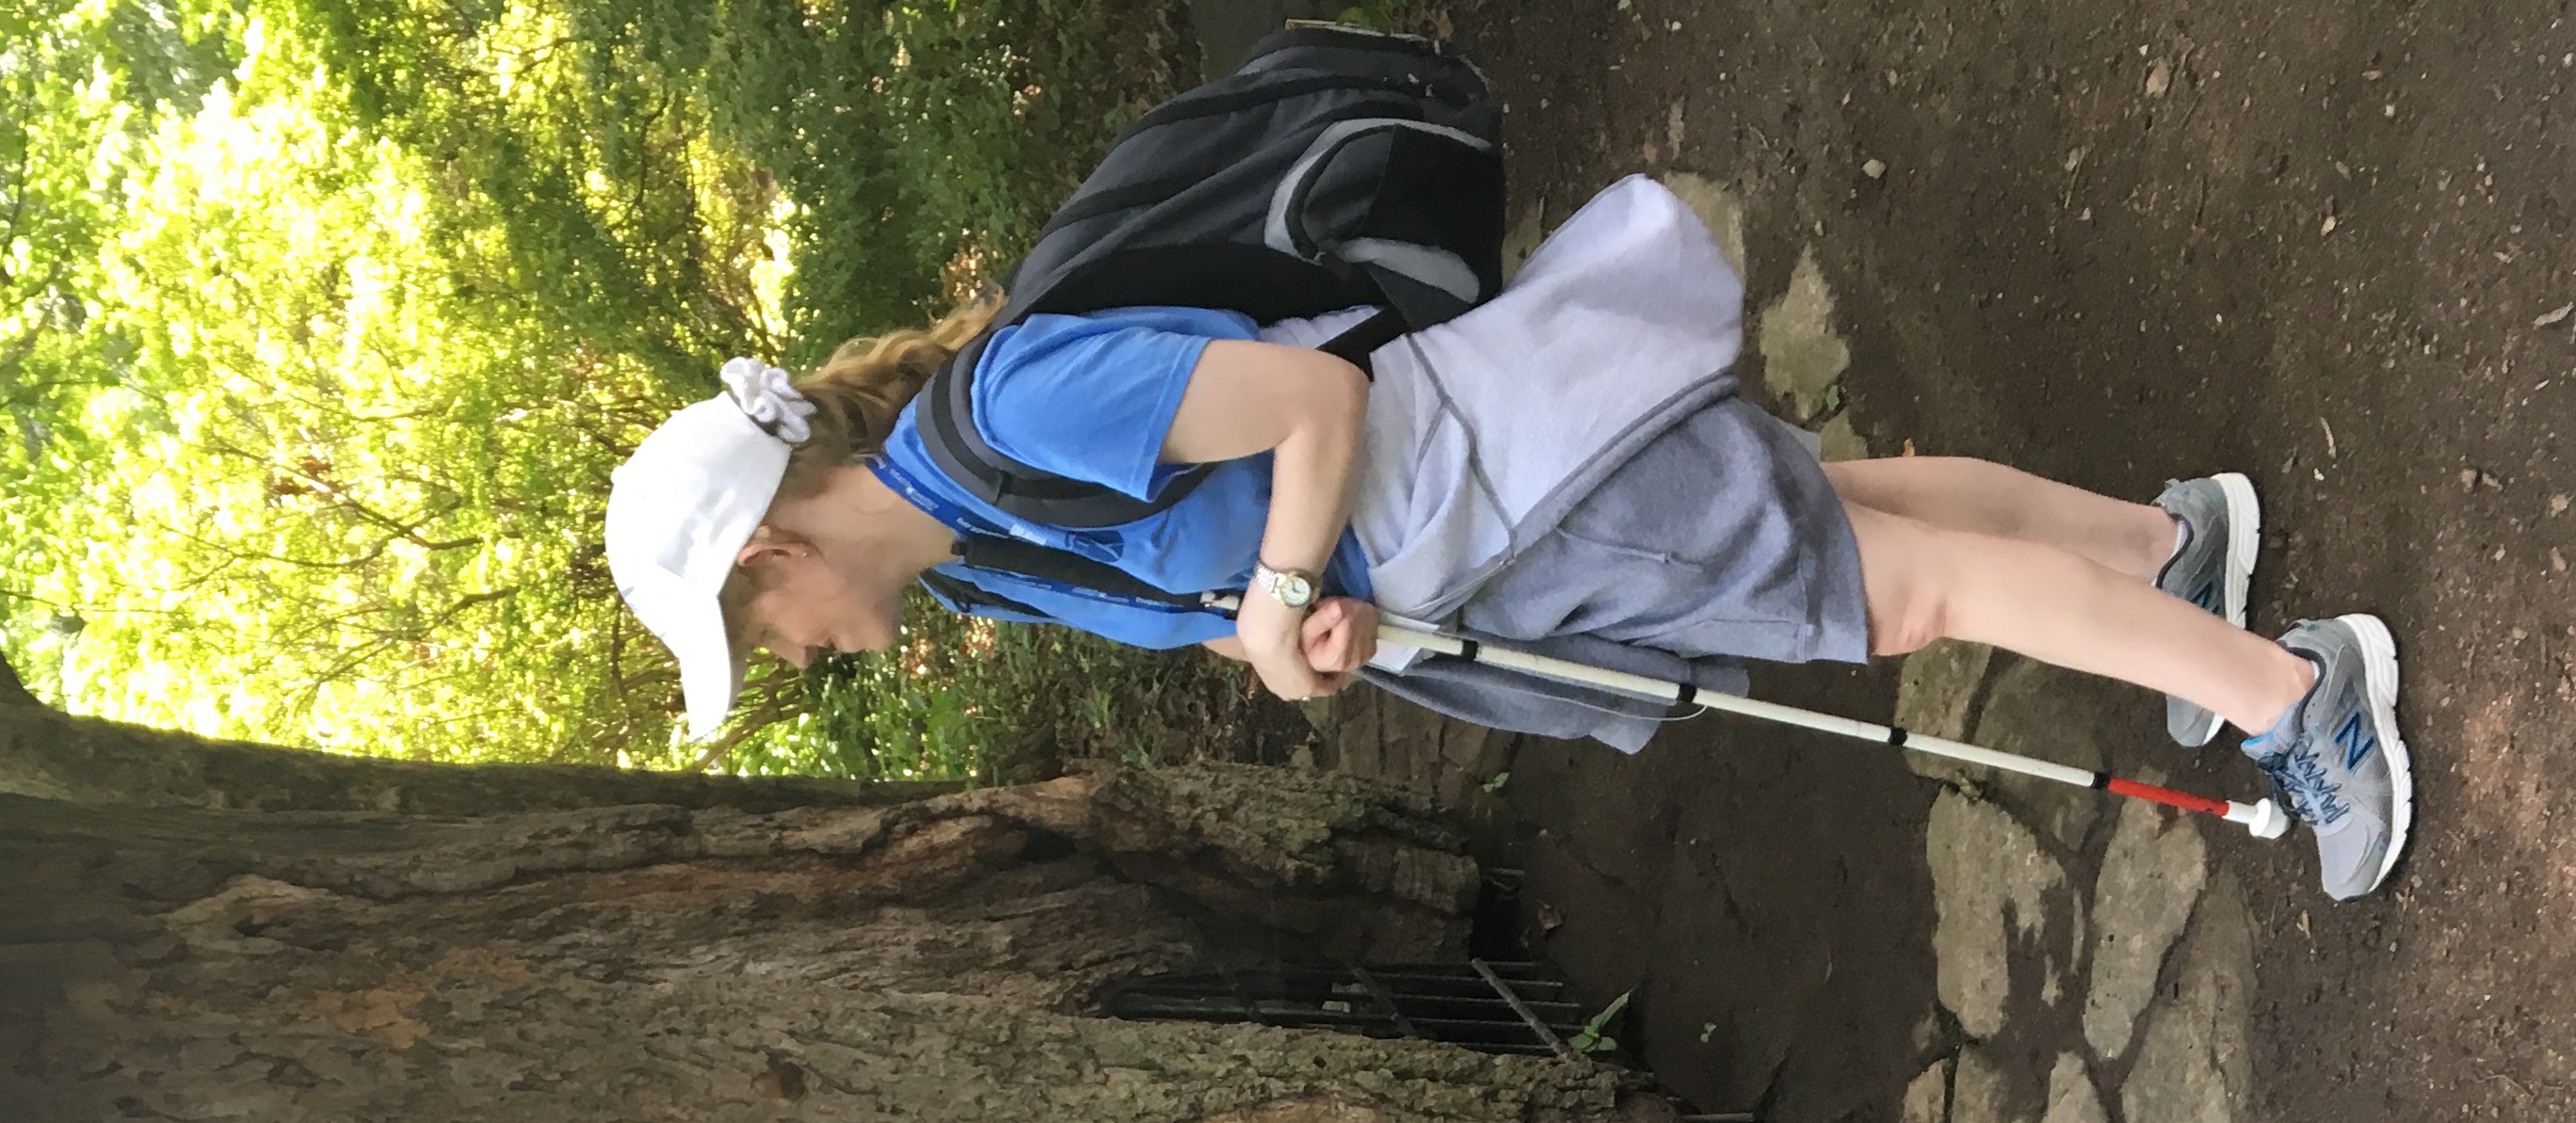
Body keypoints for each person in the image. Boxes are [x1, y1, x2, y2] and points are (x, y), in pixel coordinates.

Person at [604, 178, 2412, 900]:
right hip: (1495, 513)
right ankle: (2167, 556)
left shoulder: (1007, 423)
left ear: (769, 557)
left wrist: (1292, 595)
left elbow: (1309, 413)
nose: (806, 659)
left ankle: (2291, 692)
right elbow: (1256, 549)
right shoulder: (978, 539)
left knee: (1889, 595)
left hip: (1510, 484)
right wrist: (1296, 621)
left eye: (766, 640)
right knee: (1852, 515)